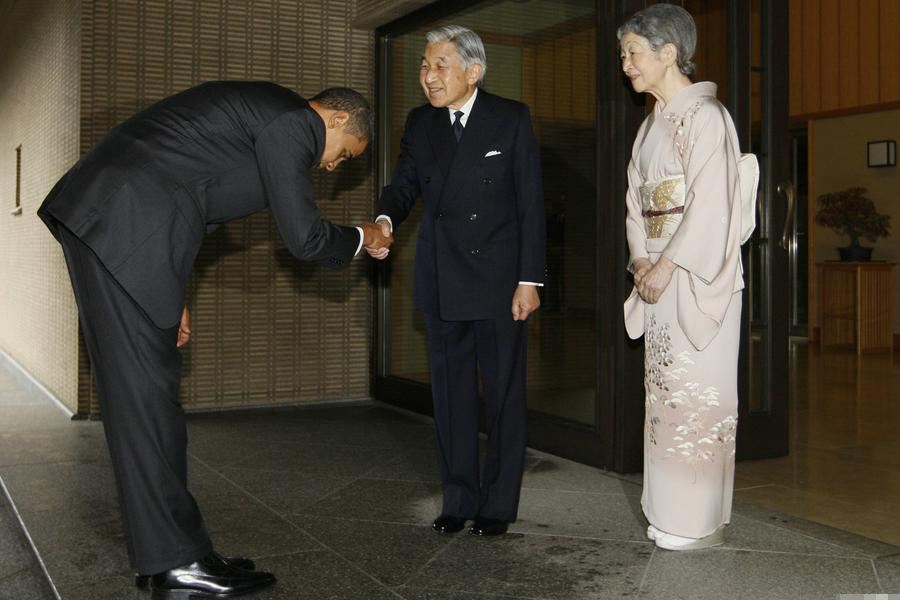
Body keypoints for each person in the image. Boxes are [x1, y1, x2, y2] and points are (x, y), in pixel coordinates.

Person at [38, 81, 392, 598]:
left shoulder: (268, 120)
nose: (332, 167)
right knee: (145, 403)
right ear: (336, 120)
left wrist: (171, 287)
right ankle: (174, 566)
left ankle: (181, 554)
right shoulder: (293, 123)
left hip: (132, 232)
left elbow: (193, 196)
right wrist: (365, 236)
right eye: (343, 156)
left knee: (148, 399)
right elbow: (304, 237)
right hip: (123, 226)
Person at [369, 25, 546, 537]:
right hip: (442, 277)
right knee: (450, 398)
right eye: (424, 66)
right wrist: (384, 220)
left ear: (474, 70)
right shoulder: (420, 124)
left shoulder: (510, 118)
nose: (428, 76)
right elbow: (403, 185)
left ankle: (497, 504)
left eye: (440, 65)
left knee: (504, 396)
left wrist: (528, 280)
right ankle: (458, 497)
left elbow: (530, 205)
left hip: (499, 282)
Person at [619, 5, 744, 551]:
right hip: (660, 279)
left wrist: (667, 263)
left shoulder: (706, 116)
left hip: (693, 278)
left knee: (698, 395)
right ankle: (669, 509)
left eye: (633, 53)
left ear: (668, 53)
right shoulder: (651, 125)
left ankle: (693, 520)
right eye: (623, 55)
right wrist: (641, 261)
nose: (625, 64)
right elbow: (634, 205)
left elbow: (713, 203)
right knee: (665, 397)